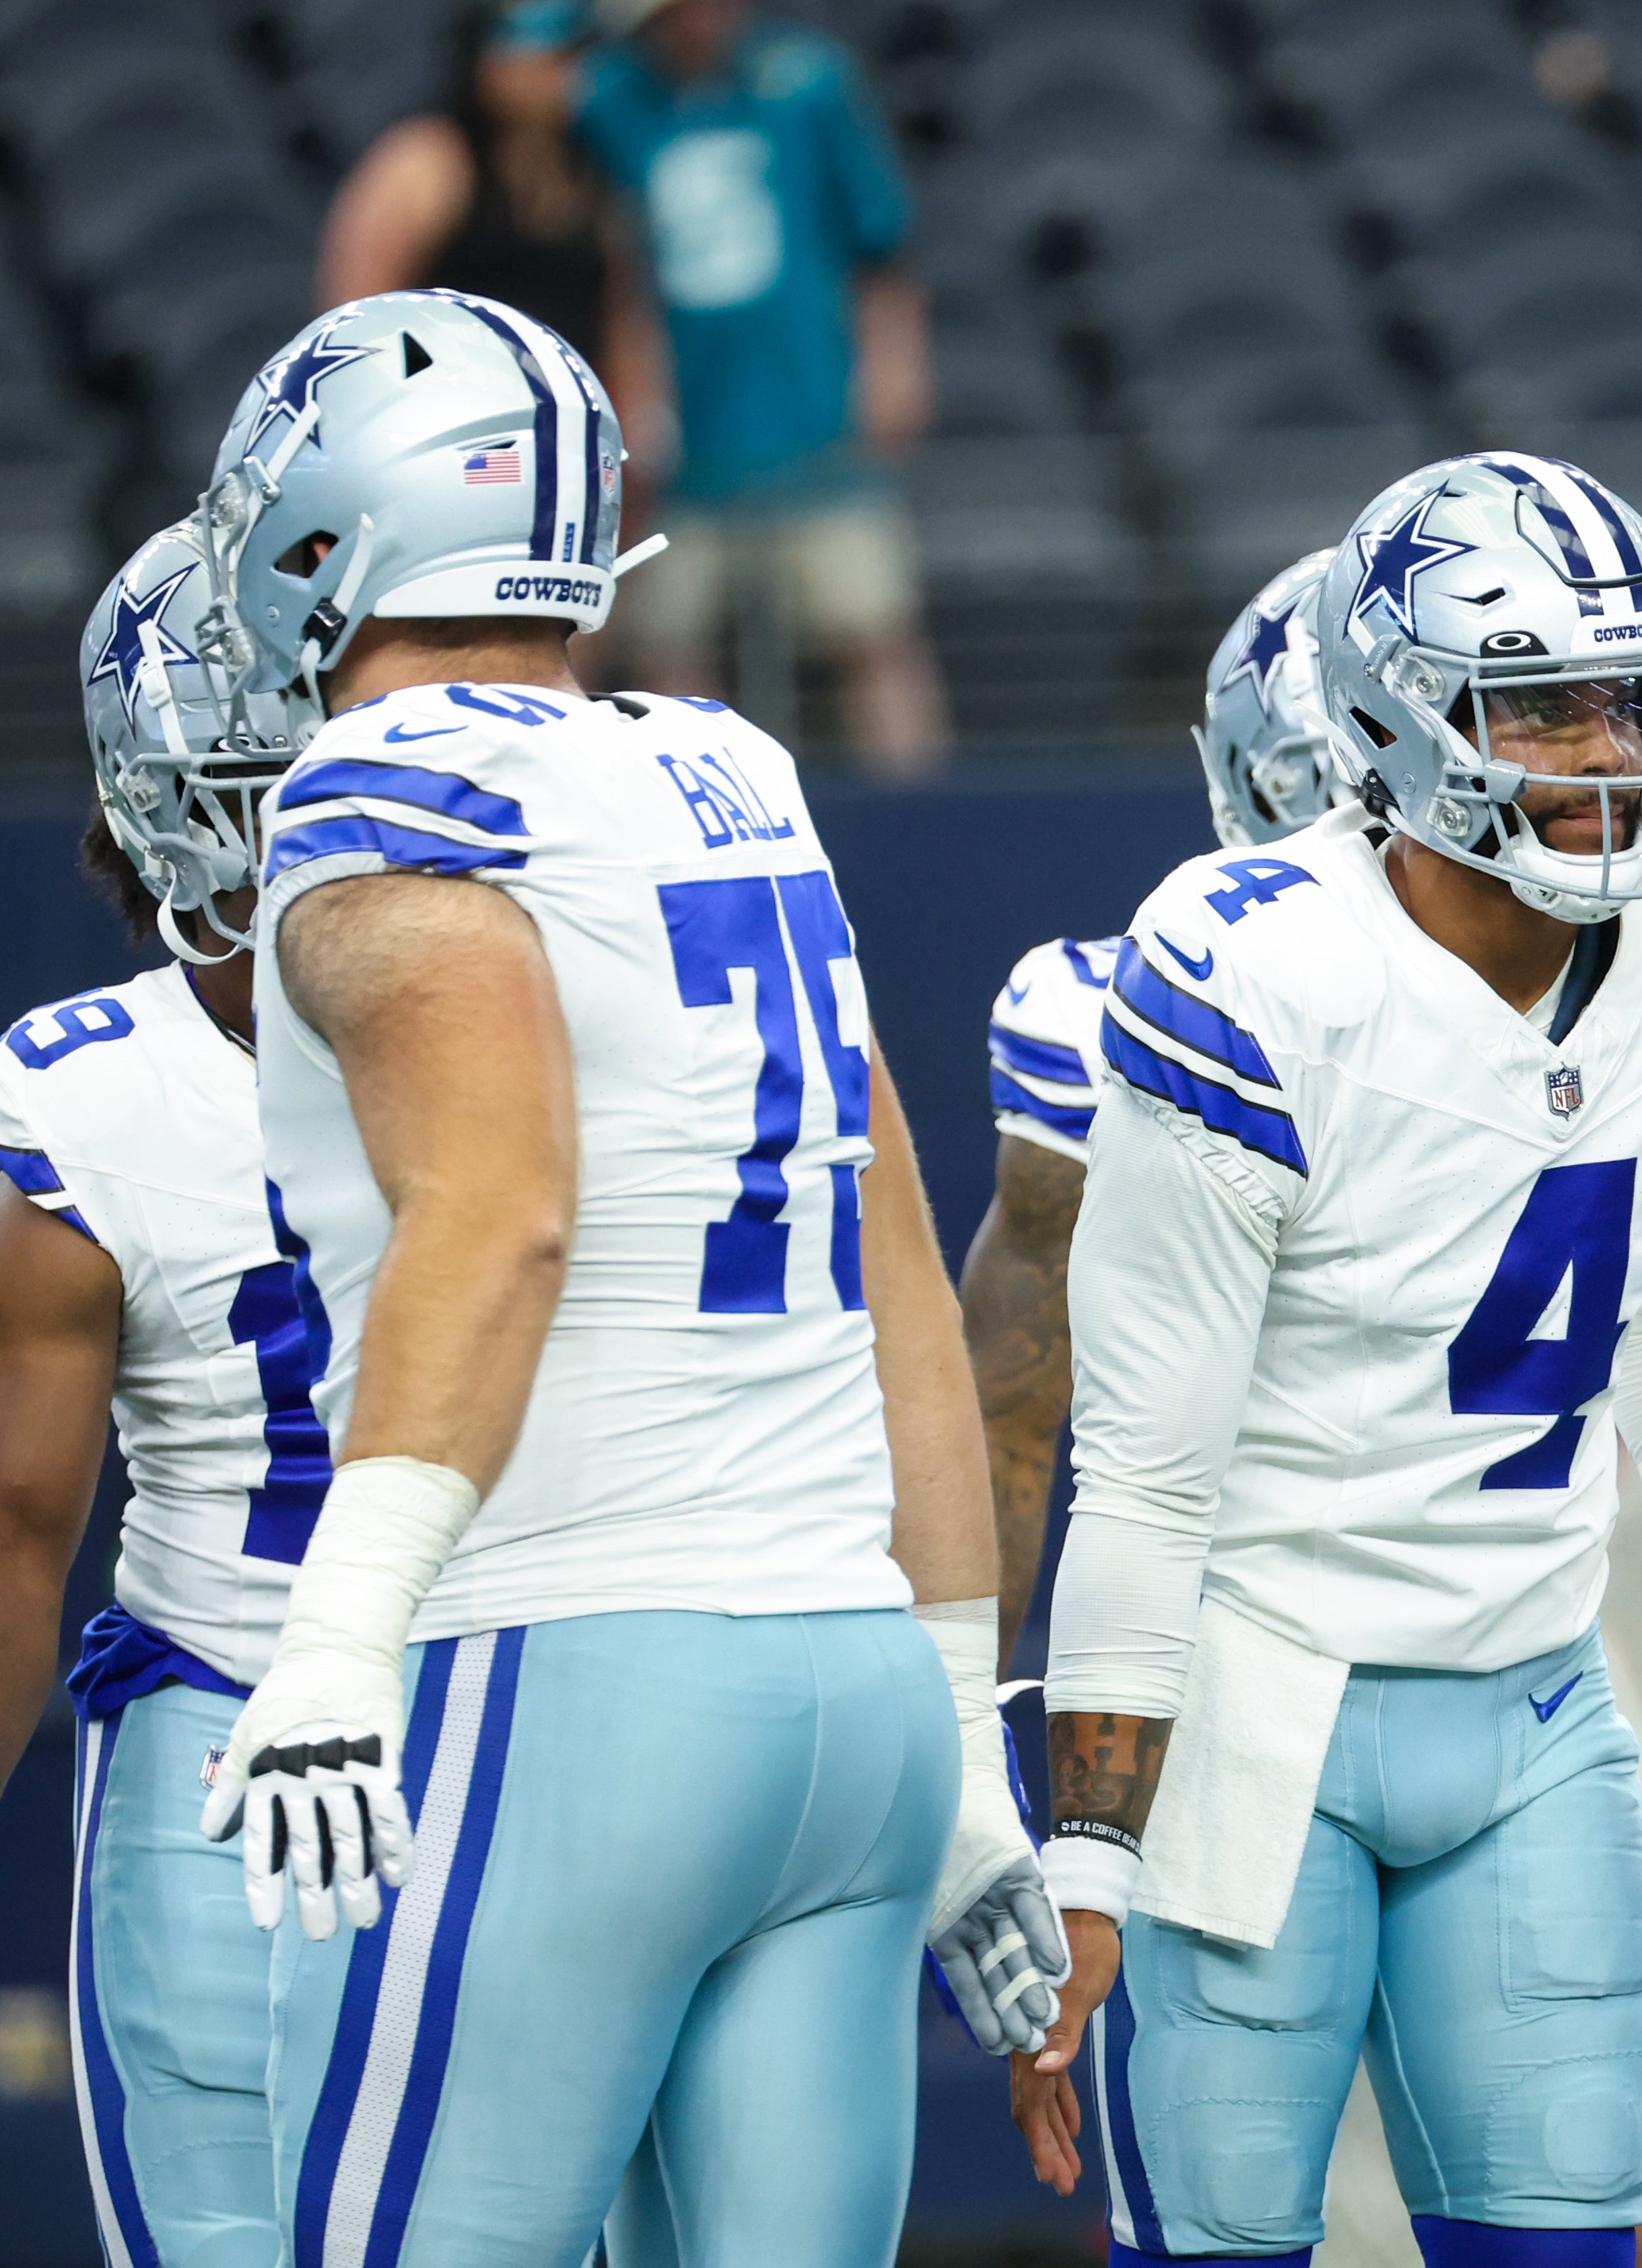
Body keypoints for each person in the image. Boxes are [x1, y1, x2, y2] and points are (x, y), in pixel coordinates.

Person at [184, 287, 1054, 2259]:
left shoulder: (378, 788)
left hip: (565, 1671)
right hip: (846, 1696)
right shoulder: (724, 767)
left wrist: (338, 1637)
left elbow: (500, 1215)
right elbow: (895, 1275)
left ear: (339, 519)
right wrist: (956, 1733)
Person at [957, 547, 1642, 2268]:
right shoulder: (1237, 982)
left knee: (1624, 2234)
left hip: (1533, 1690)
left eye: (1622, 706)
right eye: (1539, 714)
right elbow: (1091, 1458)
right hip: (1256, 1715)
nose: (1597, 765)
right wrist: (1062, 1824)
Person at [0, 524, 320, 2268]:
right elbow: (12, 1522)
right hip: (222, 1730)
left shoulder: (546, 1002)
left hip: (503, 1707)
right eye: (285, 766)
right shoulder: (102, 1118)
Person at [577, 0, 947, 774]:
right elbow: (615, 268)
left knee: (873, 629)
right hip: (686, 442)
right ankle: (694, 819)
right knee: (669, 647)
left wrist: (894, 365)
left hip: (814, 420)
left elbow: (880, 244)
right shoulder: (608, 101)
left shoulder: (808, 83)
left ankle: (925, 824)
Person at [316, 1, 671, 486]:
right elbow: (354, 314)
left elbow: (620, 315)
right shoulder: (429, 162)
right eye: (548, 58)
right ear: (486, 63)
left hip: (562, 448)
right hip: (450, 447)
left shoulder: (591, 169)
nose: (564, 75)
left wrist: (633, 443)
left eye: (573, 57)